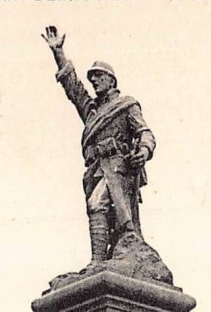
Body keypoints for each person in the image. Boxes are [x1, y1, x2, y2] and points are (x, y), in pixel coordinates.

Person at [42, 25, 156, 265]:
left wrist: (144, 152)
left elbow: (145, 132)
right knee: (98, 209)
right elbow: (73, 88)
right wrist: (58, 53)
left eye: (98, 77)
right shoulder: (92, 111)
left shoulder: (126, 105)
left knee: (97, 205)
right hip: (96, 169)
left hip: (118, 168)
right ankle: (99, 261)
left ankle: (98, 261)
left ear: (111, 79)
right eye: (91, 79)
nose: (93, 81)